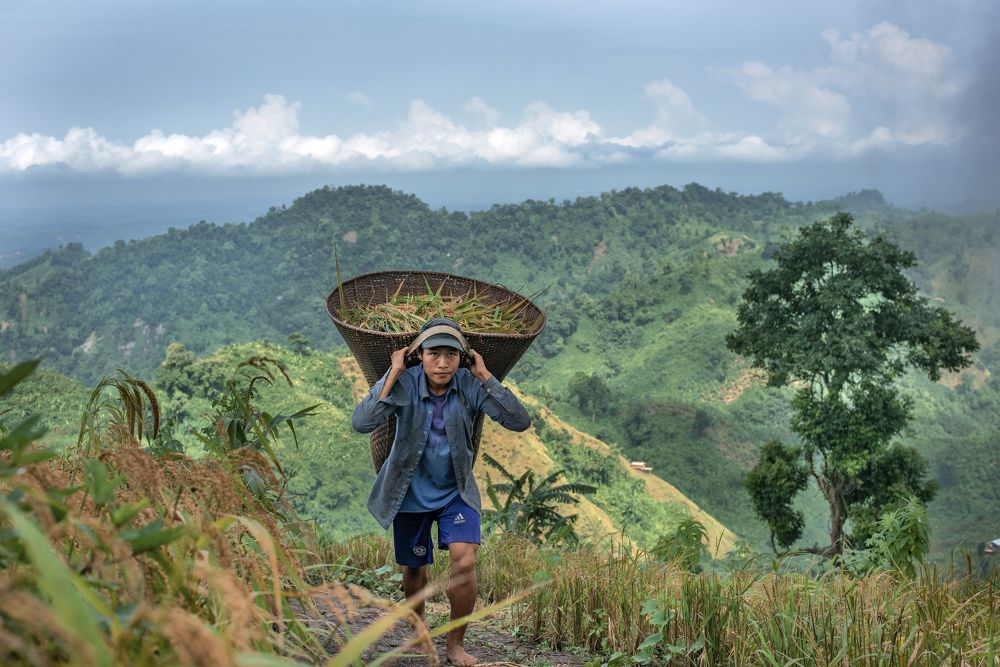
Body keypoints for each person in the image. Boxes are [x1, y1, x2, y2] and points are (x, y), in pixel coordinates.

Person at [352, 317, 531, 665]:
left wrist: (484, 376)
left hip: (456, 492)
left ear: (462, 358)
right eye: (434, 353)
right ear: (420, 355)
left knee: (465, 561)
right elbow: (362, 422)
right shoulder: (404, 383)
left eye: (452, 354)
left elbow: (519, 421)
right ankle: (419, 633)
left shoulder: (469, 384)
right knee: (414, 567)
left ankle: (454, 643)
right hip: (410, 492)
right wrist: (392, 373)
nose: (443, 362)